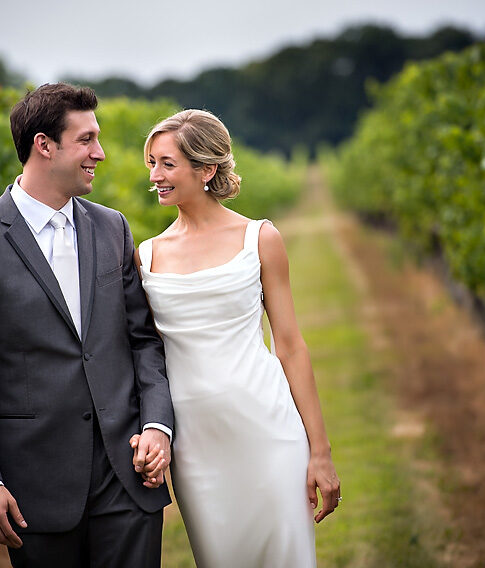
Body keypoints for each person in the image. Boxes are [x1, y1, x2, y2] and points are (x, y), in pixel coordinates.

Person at [0, 83, 174, 568]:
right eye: (86, 139)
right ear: (44, 145)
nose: (100, 154)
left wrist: (157, 425)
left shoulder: (113, 227)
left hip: (126, 477)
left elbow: (143, 341)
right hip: (34, 488)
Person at [134, 109, 341, 567]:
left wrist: (320, 453)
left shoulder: (260, 239)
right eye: (151, 163)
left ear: (206, 169)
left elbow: (290, 345)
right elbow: (142, 355)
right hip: (197, 447)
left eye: (167, 164)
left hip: (268, 431)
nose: (155, 175)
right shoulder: (145, 257)